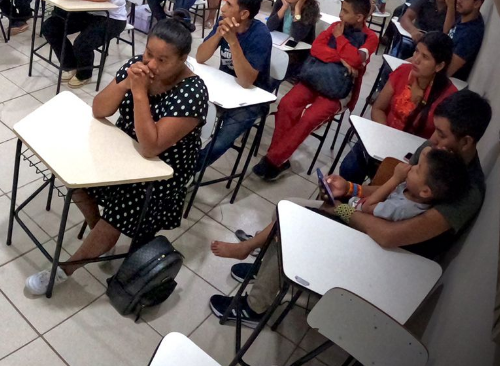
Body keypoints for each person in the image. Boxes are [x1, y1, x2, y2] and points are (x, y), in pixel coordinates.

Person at [209, 90, 491, 327]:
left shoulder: (466, 192)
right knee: (289, 209)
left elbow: (390, 237)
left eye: (441, 134)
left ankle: (256, 307)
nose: (433, 139)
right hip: (371, 220)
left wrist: (342, 210)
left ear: (466, 141)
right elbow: (391, 194)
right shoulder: (435, 153)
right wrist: (349, 188)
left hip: (390, 256)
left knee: (295, 221)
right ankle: (268, 269)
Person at [24, 18, 209, 295]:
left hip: (160, 173)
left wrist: (138, 94)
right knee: (73, 173)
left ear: (183, 60)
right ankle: (98, 230)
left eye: (163, 59)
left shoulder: (193, 92)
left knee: (124, 207)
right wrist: (126, 84)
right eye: (149, 54)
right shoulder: (137, 66)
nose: (151, 65)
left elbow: (150, 147)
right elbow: (99, 109)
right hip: (122, 149)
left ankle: (65, 269)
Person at [252, 0, 378, 181]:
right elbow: (316, 48)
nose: (340, 15)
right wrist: (343, 60)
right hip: (315, 77)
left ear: (359, 17)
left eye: (345, 11)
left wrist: (341, 42)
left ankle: (273, 159)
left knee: (309, 119)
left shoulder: (370, 38)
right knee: (287, 104)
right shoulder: (336, 27)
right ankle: (279, 160)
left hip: (338, 90)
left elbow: (357, 59)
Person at [339, 32, 456, 182]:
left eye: (425, 57)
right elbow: (378, 108)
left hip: (413, 157)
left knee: (384, 185)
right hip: (383, 136)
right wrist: (386, 136)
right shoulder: (403, 71)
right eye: (417, 51)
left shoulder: (448, 98)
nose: (416, 59)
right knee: (349, 169)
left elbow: (438, 141)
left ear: (439, 66)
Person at [194, 0, 273, 166]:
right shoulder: (224, 22)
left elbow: (246, 82)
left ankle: (190, 170)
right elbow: (200, 56)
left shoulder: (260, 35)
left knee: (219, 142)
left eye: (229, 5)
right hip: (225, 85)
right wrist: (218, 35)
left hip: (252, 99)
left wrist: (232, 41)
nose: (223, 8)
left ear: (244, 14)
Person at [348, 147, 468, 222]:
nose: (412, 167)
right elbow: (425, 152)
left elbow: (367, 206)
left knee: (333, 206)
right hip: (360, 204)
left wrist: (395, 179)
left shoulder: (401, 209)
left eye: (417, 169)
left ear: (425, 191)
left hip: (357, 219)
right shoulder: (415, 190)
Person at [265, 0, 320, 78]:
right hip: (279, 44)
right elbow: (270, 26)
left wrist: (297, 10)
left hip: (297, 52)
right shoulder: (282, 2)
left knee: (275, 66)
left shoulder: (311, 9)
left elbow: (297, 35)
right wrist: (284, 8)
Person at [447, 0, 485, 80]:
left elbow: (448, 71)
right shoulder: (466, 16)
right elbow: (446, 34)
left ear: (477, 4)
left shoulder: (471, 34)